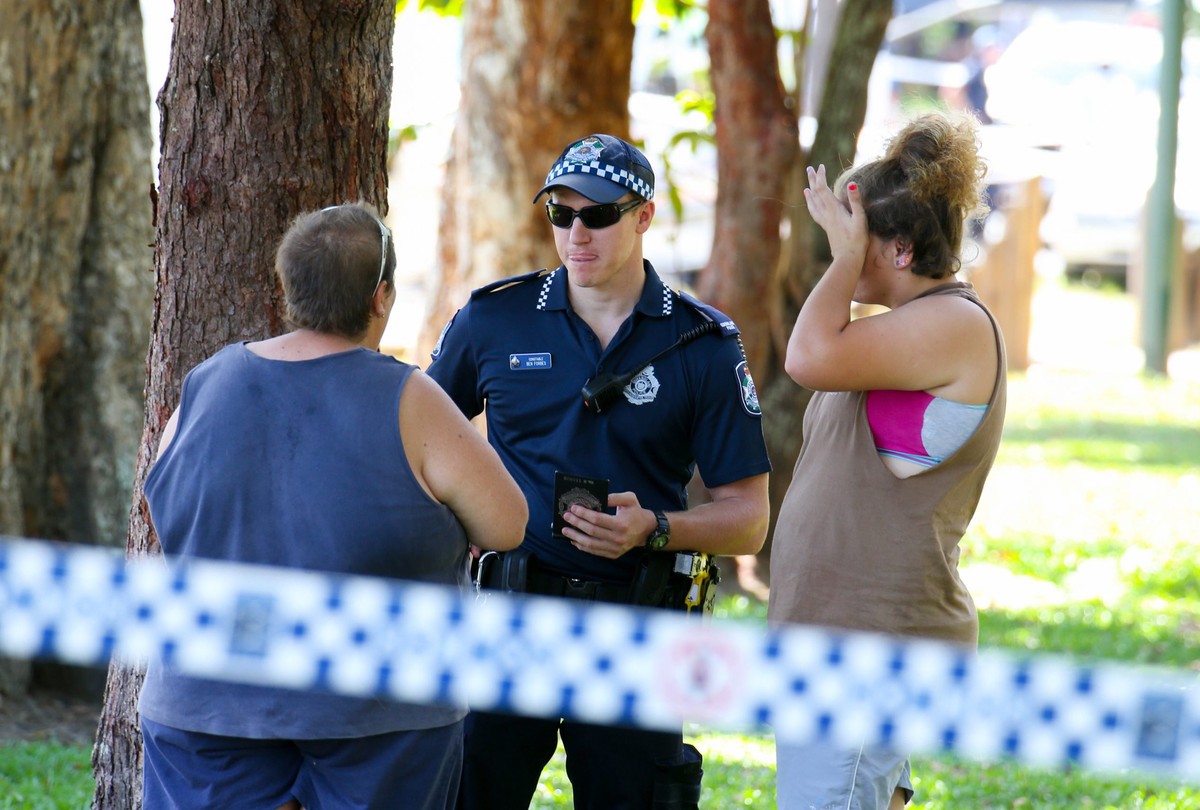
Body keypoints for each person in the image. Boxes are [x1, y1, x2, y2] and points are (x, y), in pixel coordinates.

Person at [138, 202, 528, 810]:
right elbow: (508, 523)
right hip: (378, 717)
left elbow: (166, 506)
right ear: (380, 297)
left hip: (205, 703)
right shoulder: (410, 398)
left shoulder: (206, 382)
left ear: (288, 288)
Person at [426, 133, 772, 809]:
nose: (577, 233)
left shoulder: (702, 343)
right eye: (561, 214)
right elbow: (418, 437)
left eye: (599, 214)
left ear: (643, 216)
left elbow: (750, 518)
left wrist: (656, 529)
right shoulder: (495, 319)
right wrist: (457, 517)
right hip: (507, 620)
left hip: (637, 629)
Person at [768, 111, 1007, 809]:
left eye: (855, 233)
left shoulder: (954, 324)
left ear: (899, 249)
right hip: (838, 643)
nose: (838, 245)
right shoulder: (899, 331)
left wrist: (842, 264)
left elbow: (806, 357)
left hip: (869, 652)